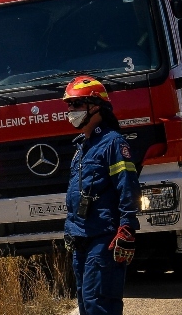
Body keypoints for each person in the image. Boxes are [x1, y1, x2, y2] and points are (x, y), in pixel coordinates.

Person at [62, 76, 140, 315]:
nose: (71, 111)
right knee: (86, 304)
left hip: (104, 236)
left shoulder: (113, 143)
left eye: (77, 105)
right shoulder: (81, 147)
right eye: (69, 106)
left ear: (96, 107)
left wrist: (127, 227)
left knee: (99, 303)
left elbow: (127, 186)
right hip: (81, 237)